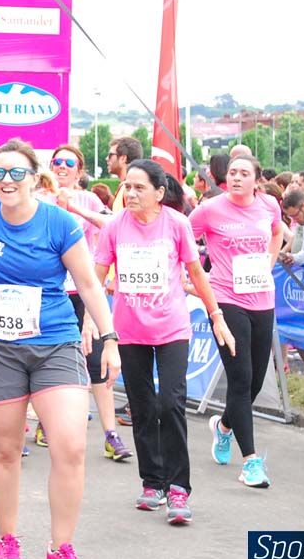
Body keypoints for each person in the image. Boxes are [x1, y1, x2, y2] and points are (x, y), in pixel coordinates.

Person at [0, 138, 120, 559]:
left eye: (16, 173)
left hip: (54, 342)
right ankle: (7, 540)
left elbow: (88, 283)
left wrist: (109, 338)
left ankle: (61, 548)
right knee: (6, 450)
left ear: (34, 177)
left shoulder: (57, 222)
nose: (6, 181)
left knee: (70, 445)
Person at [93, 159, 234, 524]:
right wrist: (90, 324)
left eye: (140, 187)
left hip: (171, 327)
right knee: (142, 407)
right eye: (128, 186)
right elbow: (95, 278)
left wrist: (216, 315)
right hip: (129, 329)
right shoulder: (114, 227)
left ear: (159, 192)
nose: (132, 193)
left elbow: (195, 272)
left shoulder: (176, 224)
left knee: (171, 403)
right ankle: (152, 481)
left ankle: (178, 487)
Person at [189, 150, 283, 489]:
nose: (237, 177)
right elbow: (184, 241)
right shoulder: (210, 210)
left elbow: (277, 232)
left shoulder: (269, 206)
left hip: (262, 298)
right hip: (226, 300)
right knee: (240, 380)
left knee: (255, 383)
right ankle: (251, 462)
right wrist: (193, 279)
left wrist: (269, 262)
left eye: (244, 173)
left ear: (257, 180)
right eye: (232, 172)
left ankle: (223, 427)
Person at [41, 145, 128, 461]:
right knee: (44, 359)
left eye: (68, 163)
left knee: (96, 364)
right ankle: (42, 425)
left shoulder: (88, 200)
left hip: (82, 293)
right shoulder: (37, 198)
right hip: (47, 294)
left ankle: (111, 435)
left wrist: (75, 209)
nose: (61, 167)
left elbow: (113, 225)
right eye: (56, 162)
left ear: (79, 171)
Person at [106, 136, 143, 211]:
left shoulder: (129, 190)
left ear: (123, 158)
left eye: (110, 155)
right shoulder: (124, 187)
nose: (107, 158)